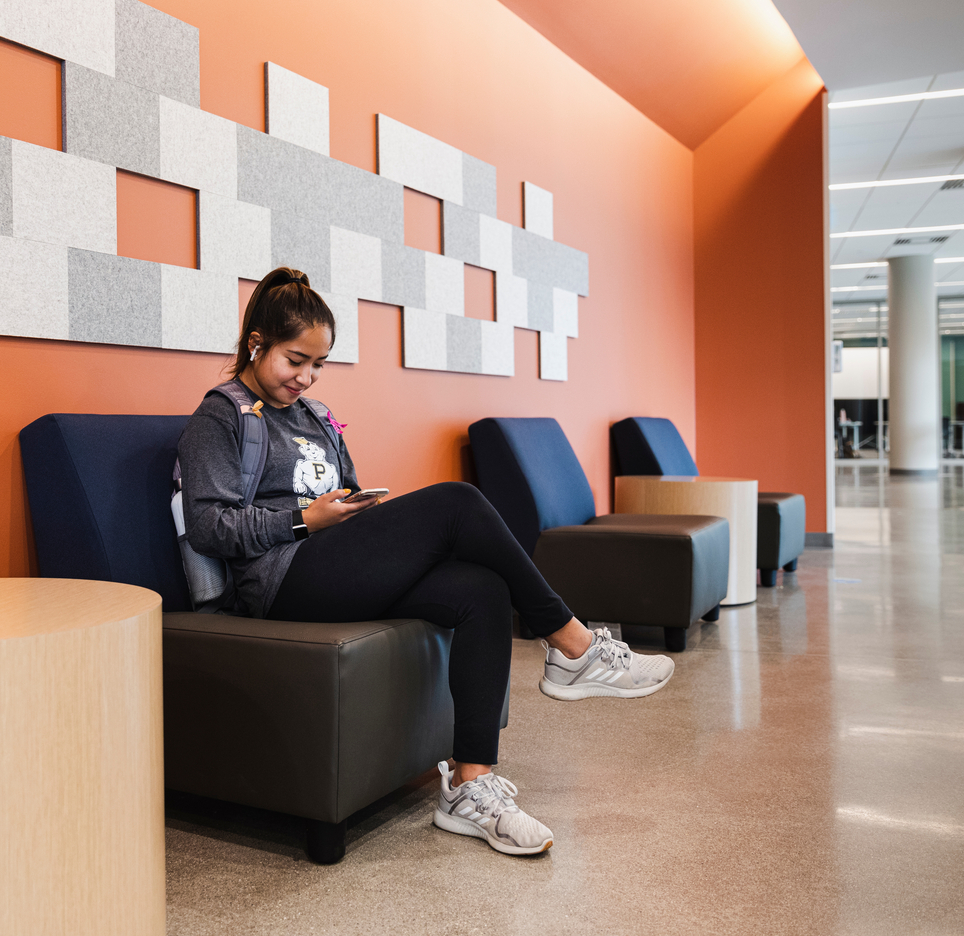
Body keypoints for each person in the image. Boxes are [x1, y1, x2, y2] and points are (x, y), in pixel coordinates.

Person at [176, 267, 675, 857]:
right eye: (294, 360)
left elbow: (345, 490)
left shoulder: (315, 417)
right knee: (457, 501)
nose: (306, 377)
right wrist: (305, 521)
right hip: (279, 582)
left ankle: (471, 786)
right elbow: (209, 526)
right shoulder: (221, 415)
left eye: (318, 364)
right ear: (256, 342)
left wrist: (357, 511)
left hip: (332, 565)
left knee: (482, 589)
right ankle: (572, 645)